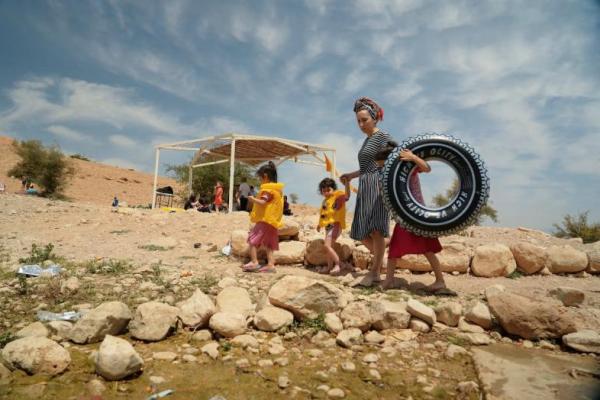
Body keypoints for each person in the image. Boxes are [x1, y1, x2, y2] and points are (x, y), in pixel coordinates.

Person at [375, 141, 446, 292]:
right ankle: (390, 280)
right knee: (398, 248)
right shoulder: (387, 177)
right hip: (404, 216)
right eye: (380, 167)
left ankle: (439, 281)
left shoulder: (407, 168)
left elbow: (427, 168)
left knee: (426, 249)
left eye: (384, 165)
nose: (382, 169)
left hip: (416, 214)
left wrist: (413, 157)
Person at [340, 97, 391, 287]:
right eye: (358, 121)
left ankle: (375, 272)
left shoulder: (383, 136)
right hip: (365, 185)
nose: (361, 124)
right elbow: (367, 166)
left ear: (375, 118)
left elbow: (393, 157)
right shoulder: (367, 140)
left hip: (377, 185)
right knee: (361, 231)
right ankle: (381, 258)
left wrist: (386, 183)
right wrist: (351, 176)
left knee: (376, 229)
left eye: (365, 120)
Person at [243, 161, 284, 273]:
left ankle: (254, 262)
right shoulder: (277, 191)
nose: (260, 181)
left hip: (265, 220)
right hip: (273, 221)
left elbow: (263, 202)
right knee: (269, 244)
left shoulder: (267, 190)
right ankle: (271, 265)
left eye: (260, 178)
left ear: (265, 176)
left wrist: (252, 199)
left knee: (252, 239)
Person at [316, 177, 351, 275]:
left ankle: (339, 264)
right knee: (328, 248)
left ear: (333, 189)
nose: (326, 192)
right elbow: (323, 215)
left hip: (335, 226)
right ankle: (329, 267)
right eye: (324, 191)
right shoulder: (325, 201)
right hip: (328, 228)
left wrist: (347, 184)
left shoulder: (337, 198)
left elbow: (347, 196)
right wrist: (319, 225)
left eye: (328, 190)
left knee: (327, 246)